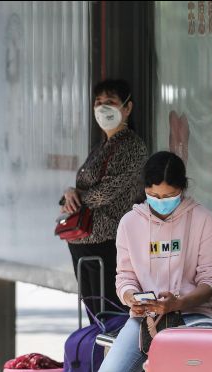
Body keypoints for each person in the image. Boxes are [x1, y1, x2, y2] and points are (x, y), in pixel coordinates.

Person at [96, 151, 212, 372]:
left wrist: (179, 302)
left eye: (168, 196)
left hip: (194, 316)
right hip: (144, 318)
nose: (160, 202)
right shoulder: (130, 223)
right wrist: (131, 300)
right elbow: (124, 278)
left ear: (182, 189)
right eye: (153, 195)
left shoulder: (202, 219)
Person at [61, 79, 147, 315]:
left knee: (110, 310)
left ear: (127, 108)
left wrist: (77, 197)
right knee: (94, 312)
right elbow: (86, 188)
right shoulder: (103, 145)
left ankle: (113, 353)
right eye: (98, 102)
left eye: (110, 102)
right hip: (84, 239)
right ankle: (99, 353)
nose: (102, 107)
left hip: (108, 240)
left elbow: (107, 190)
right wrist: (70, 195)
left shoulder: (130, 146)